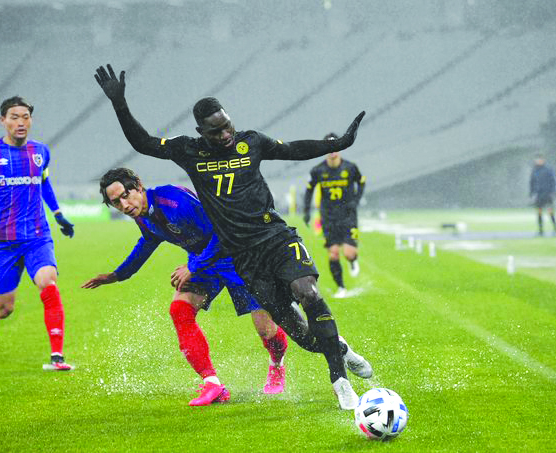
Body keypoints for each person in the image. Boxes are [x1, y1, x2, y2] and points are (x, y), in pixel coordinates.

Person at [94, 64, 371, 410]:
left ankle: (335, 379)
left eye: (227, 126)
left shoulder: (249, 143)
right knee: (299, 333)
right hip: (241, 257)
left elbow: (294, 149)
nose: (226, 135)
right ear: (201, 131)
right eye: (216, 131)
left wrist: (339, 142)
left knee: (302, 298)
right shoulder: (189, 151)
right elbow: (144, 143)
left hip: (270, 239)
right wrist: (120, 104)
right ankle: (338, 350)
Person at [82, 168, 290, 405]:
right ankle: (213, 385)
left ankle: (276, 364)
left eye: (125, 195)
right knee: (180, 309)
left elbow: (223, 231)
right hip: (203, 264)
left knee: (266, 329)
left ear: (138, 185)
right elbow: (148, 241)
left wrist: (194, 265)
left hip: (238, 256)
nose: (124, 205)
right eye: (116, 202)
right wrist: (118, 275)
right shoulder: (143, 216)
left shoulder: (174, 202)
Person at [0, 96, 75, 371]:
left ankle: (57, 357)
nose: (21, 122)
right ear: (3, 120)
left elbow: (44, 183)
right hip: (3, 243)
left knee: (49, 282)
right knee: (5, 309)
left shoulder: (41, 151)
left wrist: (58, 214)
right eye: (14, 116)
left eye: (25, 116)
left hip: (37, 236)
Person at [304, 133, 365, 298]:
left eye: (335, 148)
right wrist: (306, 211)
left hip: (348, 216)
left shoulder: (350, 168)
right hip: (328, 217)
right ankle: (341, 287)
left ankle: (353, 261)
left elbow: (361, 182)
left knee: (349, 253)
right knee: (333, 253)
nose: (332, 152)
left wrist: (356, 200)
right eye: (329, 148)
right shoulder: (317, 170)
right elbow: (309, 190)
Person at [529, 154, 556, 237]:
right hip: (539, 195)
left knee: (550, 212)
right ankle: (541, 230)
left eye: (540, 159)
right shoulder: (534, 170)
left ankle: (555, 229)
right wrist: (532, 193)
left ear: (543, 160)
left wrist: (552, 192)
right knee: (539, 212)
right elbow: (532, 183)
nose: (538, 161)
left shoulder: (548, 170)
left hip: (547, 194)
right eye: (537, 159)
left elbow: (553, 181)